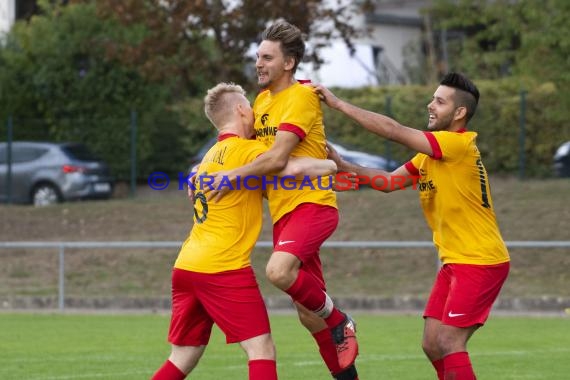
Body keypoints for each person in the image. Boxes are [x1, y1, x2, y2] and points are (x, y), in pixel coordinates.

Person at [313, 72, 510, 380]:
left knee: (449, 341)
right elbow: (390, 182)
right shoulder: (429, 157)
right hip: (456, 262)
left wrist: (338, 104)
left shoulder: (455, 145)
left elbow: (393, 131)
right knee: (432, 344)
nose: (430, 105)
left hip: (480, 260)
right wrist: (345, 166)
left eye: (440, 101)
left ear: (460, 113)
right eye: (432, 98)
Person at [151, 82, 337, 380]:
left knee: (182, 357)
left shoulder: (208, 158)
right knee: (261, 348)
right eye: (250, 107)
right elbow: (291, 168)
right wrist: (331, 164)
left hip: (186, 266)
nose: (255, 114)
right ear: (240, 109)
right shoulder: (249, 151)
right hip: (222, 268)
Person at [207, 20, 359, 380]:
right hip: (283, 214)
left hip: (312, 205)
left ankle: (342, 321)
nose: (258, 63)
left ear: (288, 63)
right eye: (258, 56)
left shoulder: (302, 97)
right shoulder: (261, 101)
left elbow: (275, 160)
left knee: (278, 271)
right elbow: (252, 150)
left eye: (267, 57)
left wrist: (230, 177)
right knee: (308, 314)